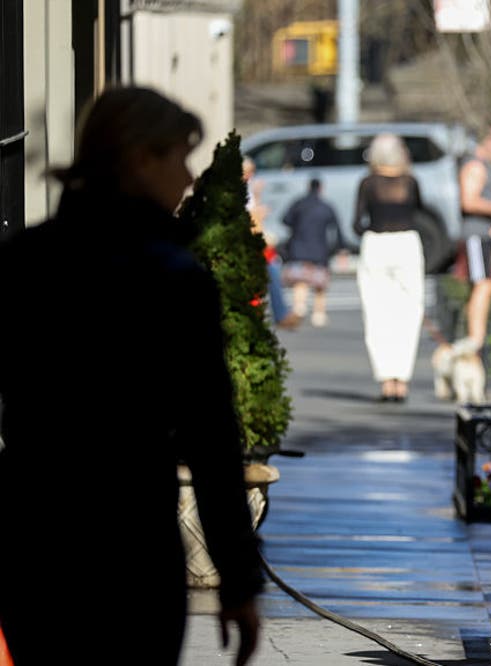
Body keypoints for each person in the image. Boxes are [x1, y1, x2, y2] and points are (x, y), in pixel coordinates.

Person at [0, 87, 263, 665]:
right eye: (180, 157)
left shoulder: (24, 262)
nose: (190, 176)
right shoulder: (170, 279)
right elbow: (211, 437)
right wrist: (239, 582)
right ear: (140, 158)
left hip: (35, 544)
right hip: (131, 546)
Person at [353, 133, 428, 403]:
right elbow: (419, 211)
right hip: (406, 243)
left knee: (377, 311)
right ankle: (402, 381)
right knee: (408, 311)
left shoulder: (367, 183)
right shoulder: (411, 182)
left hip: (376, 244)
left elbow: (357, 222)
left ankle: (386, 381)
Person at [451, 125, 491, 358]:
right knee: (482, 285)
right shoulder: (475, 166)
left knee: (485, 286)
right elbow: (468, 201)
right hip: (475, 236)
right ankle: (475, 342)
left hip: (485, 235)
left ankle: (476, 338)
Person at [244, 156, 301, 330]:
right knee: (269, 270)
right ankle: (276, 313)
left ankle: (270, 313)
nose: (251, 175)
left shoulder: (247, 188)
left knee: (271, 269)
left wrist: (257, 197)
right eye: (248, 172)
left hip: (252, 240)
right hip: (245, 241)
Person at [280, 177, 341, 328]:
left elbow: (285, 220)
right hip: (320, 249)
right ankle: (319, 314)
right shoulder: (326, 206)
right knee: (319, 283)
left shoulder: (298, 204)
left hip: (299, 247)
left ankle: (299, 307)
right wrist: (339, 248)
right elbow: (336, 230)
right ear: (321, 188)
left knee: (301, 281)